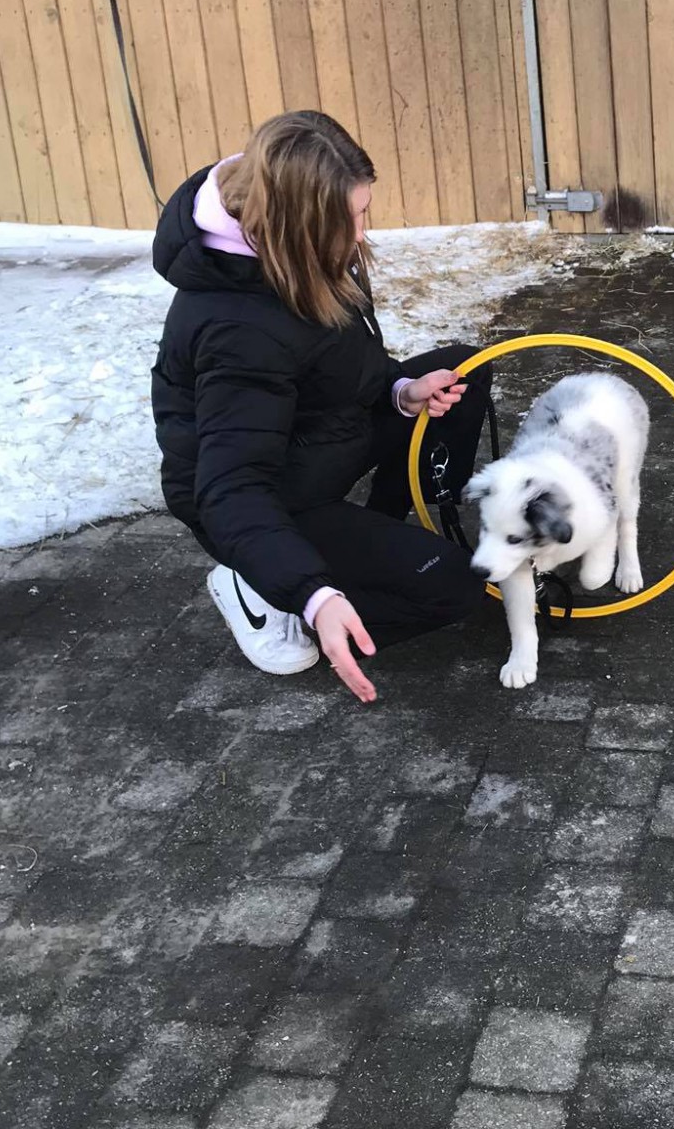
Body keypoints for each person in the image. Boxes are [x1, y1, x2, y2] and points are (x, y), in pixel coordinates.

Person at [151, 112, 491, 702]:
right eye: (350, 218)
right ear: (300, 222)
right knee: (453, 587)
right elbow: (231, 487)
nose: (361, 234)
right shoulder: (239, 329)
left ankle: (374, 536)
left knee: (466, 368)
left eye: (363, 211)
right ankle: (266, 585)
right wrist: (313, 594)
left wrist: (401, 392)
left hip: (314, 441)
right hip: (262, 495)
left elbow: (337, 361)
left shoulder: (295, 251)